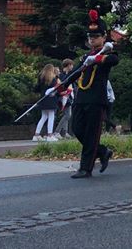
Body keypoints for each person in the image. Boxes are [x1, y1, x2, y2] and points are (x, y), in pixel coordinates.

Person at [51, 9, 119, 178]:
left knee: (91, 133)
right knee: (77, 129)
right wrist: (61, 86)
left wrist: (96, 59)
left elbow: (114, 60)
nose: (92, 39)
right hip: (81, 98)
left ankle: (85, 168)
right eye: (90, 37)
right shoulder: (84, 57)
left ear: (104, 38)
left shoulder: (107, 53)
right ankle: (103, 151)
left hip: (96, 100)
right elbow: (76, 73)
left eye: (96, 36)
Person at [33, 64, 60, 142]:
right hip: (51, 99)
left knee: (43, 117)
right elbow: (56, 89)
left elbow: (36, 88)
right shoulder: (53, 79)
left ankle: (36, 135)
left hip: (43, 99)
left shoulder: (41, 78)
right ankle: (50, 135)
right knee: (51, 116)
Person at [54, 59, 75, 139]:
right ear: (68, 65)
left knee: (67, 115)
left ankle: (64, 132)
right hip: (63, 97)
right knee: (68, 115)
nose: (72, 67)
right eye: (71, 65)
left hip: (68, 96)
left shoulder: (68, 74)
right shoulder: (61, 75)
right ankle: (57, 131)